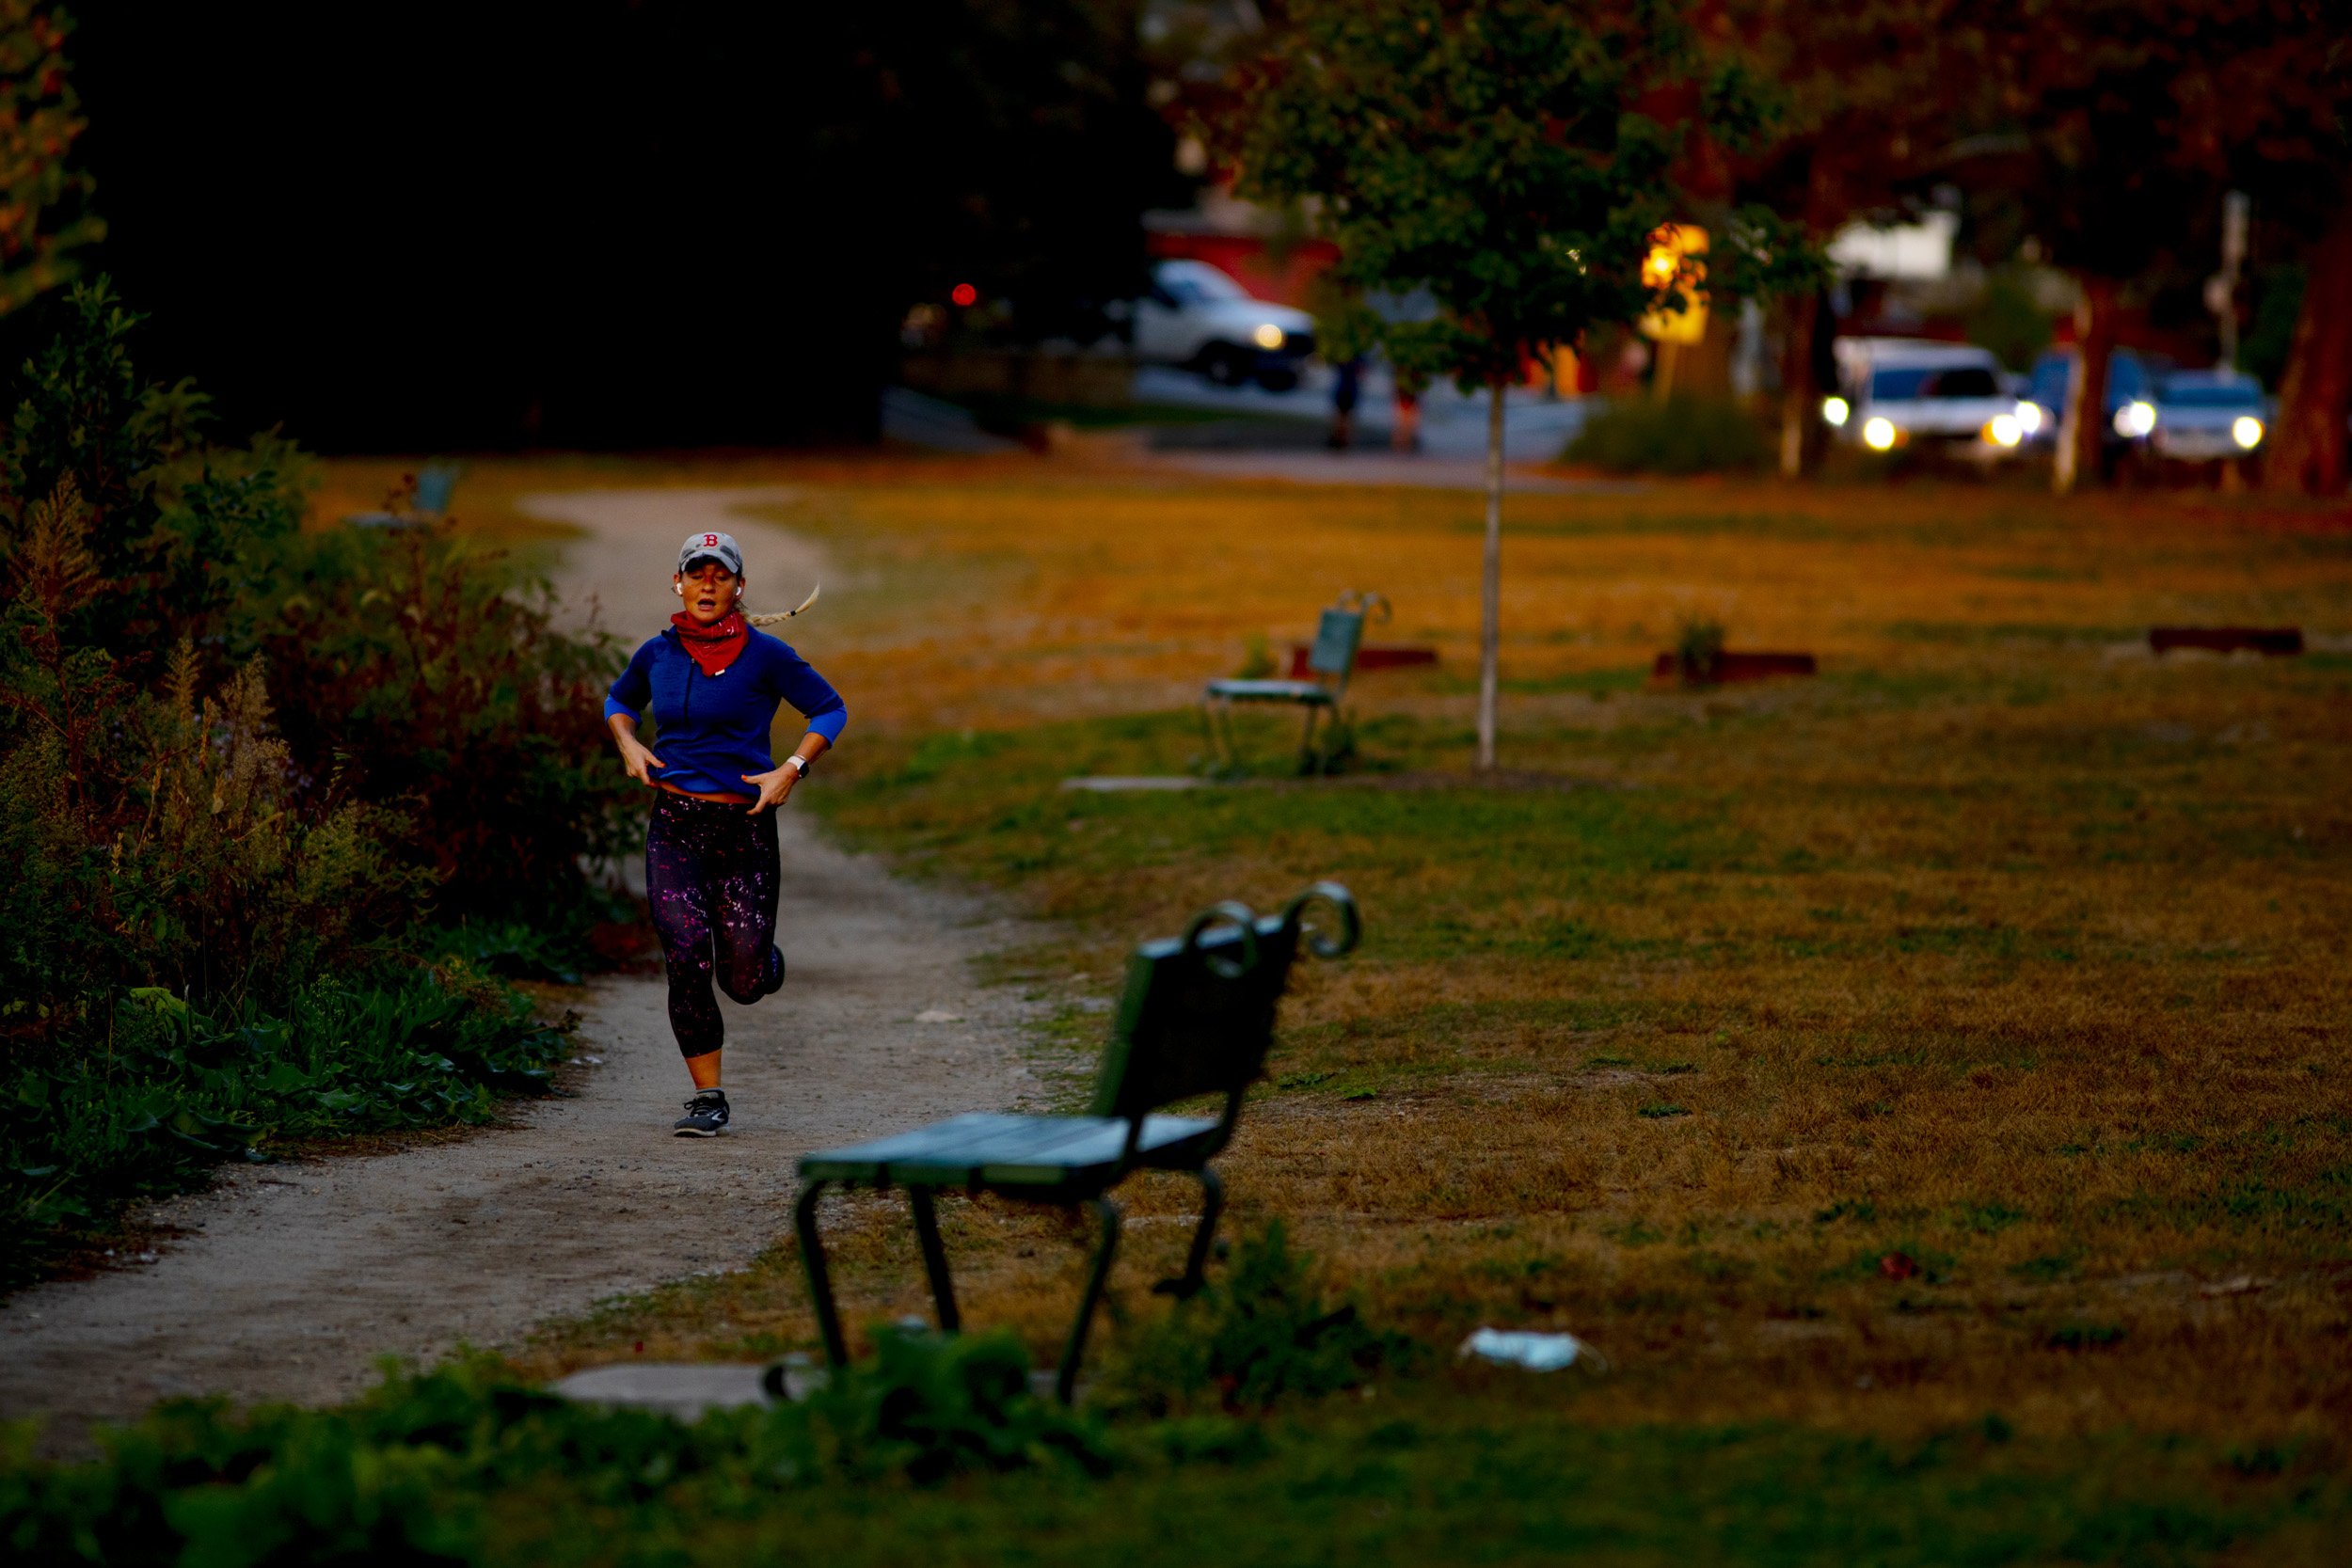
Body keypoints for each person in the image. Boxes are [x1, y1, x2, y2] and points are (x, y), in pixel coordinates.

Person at [604, 531, 847, 1135]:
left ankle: (761, 964)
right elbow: (619, 700)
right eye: (696, 573)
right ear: (678, 584)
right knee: (685, 957)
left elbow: (830, 708)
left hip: (744, 830)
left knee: (740, 982)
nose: (706, 584)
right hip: (676, 827)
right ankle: (707, 1098)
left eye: (720, 574)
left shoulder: (768, 655)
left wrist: (792, 769)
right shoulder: (656, 655)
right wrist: (629, 744)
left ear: (739, 587)